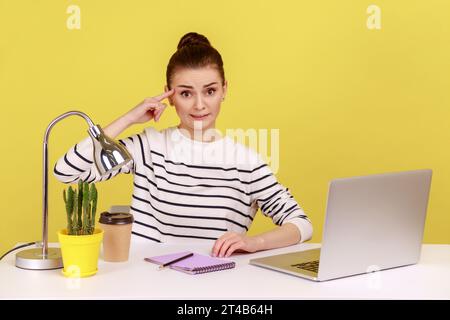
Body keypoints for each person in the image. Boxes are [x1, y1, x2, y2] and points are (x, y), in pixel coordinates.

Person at [53, 32, 313, 258]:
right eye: (186, 93)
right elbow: (67, 171)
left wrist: (254, 243)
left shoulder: (246, 162)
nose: (199, 105)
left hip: (215, 283)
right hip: (143, 282)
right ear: (169, 95)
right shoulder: (149, 147)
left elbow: (301, 224)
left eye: (210, 91)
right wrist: (129, 118)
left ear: (224, 89)